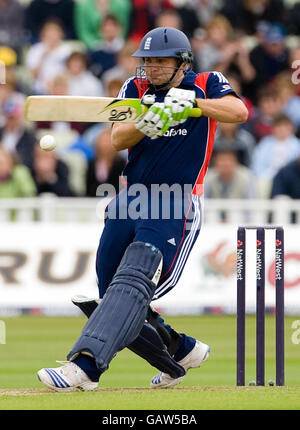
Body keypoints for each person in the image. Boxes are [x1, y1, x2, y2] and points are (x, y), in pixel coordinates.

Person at [37, 27, 248, 391]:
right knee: (110, 295)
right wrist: (147, 124)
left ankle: (85, 367)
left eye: (159, 61)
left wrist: (193, 106)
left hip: (176, 199)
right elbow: (117, 137)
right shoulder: (135, 90)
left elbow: (238, 111)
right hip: (129, 200)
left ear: (182, 62)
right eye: (146, 60)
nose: (150, 67)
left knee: (130, 284)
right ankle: (179, 350)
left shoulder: (207, 81)